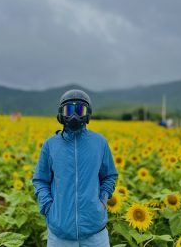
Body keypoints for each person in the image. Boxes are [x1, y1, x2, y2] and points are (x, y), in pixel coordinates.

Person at [32, 89, 118, 246]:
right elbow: (40, 180)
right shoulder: (50, 144)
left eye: (79, 110)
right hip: (60, 235)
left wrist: (102, 201)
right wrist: (48, 208)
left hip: (95, 233)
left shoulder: (99, 142)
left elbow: (109, 176)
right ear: (60, 114)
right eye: (69, 110)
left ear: (88, 114)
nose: (74, 116)